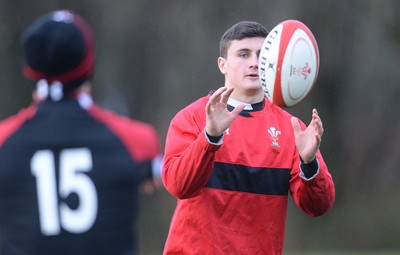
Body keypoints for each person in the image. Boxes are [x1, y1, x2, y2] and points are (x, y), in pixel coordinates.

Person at [162, 21, 335, 254]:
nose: (254, 63)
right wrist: (210, 137)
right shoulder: (192, 118)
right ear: (222, 65)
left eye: (262, 56)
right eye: (243, 54)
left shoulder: (291, 129)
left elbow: (318, 206)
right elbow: (178, 186)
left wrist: (309, 163)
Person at [0, 10, 162, 255]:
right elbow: (157, 181)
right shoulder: (136, 141)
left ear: (28, 68)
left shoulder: (4, 141)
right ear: (89, 64)